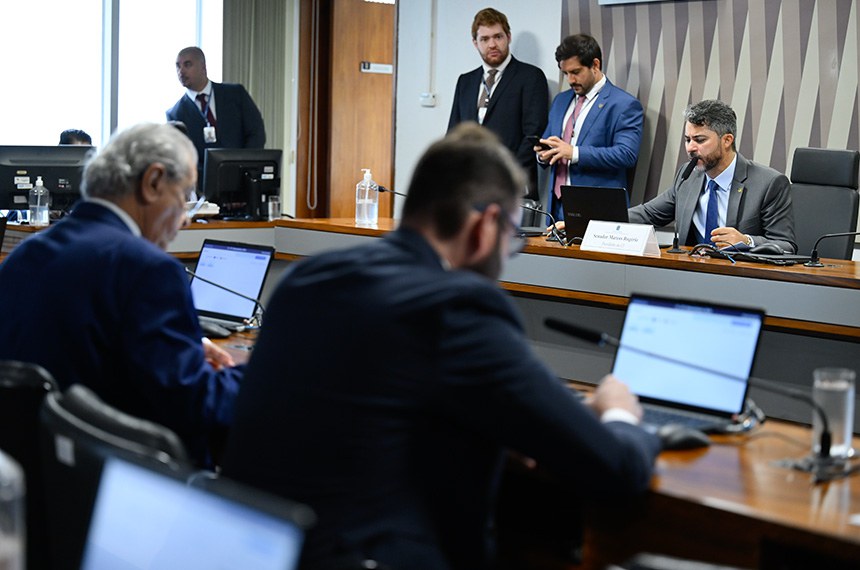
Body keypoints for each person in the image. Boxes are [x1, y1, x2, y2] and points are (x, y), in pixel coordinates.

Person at [221, 124, 661, 570]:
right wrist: (620, 410)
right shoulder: (457, 306)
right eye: (512, 238)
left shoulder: (309, 278)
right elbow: (614, 469)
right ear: (485, 226)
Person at [0, 123, 242, 465]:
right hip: (131, 486)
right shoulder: (148, 269)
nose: (186, 218)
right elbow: (197, 406)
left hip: (42, 482)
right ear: (153, 182)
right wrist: (261, 370)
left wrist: (178, 344)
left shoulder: (25, 255)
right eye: (185, 195)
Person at [629, 100, 797, 253]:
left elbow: (786, 245)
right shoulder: (687, 176)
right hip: (693, 274)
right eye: (687, 140)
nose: (690, 148)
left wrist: (746, 240)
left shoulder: (769, 183)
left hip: (743, 278)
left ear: (727, 140)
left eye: (699, 140)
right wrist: (605, 216)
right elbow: (646, 214)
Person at [536, 34, 643, 221]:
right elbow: (550, 142)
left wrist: (574, 153)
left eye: (575, 72)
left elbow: (626, 154)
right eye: (565, 73)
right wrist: (543, 155)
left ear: (595, 64)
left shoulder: (624, 104)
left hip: (599, 209)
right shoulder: (561, 100)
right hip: (556, 208)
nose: (570, 80)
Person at [448, 7, 548, 198]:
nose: (492, 44)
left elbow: (533, 134)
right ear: (475, 43)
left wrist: (506, 176)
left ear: (508, 37)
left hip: (512, 187)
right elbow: (454, 133)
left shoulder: (530, 77)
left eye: (498, 37)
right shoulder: (465, 81)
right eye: (484, 39)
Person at [166, 46, 266, 188]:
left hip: (245, 182)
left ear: (203, 67)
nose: (181, 71)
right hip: (206, 190)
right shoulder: (175, 114)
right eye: (178, 66)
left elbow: (256, 133)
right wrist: (213, 182)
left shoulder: (236, 94)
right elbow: (183, 159)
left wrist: (245, 170)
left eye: (187, 64)